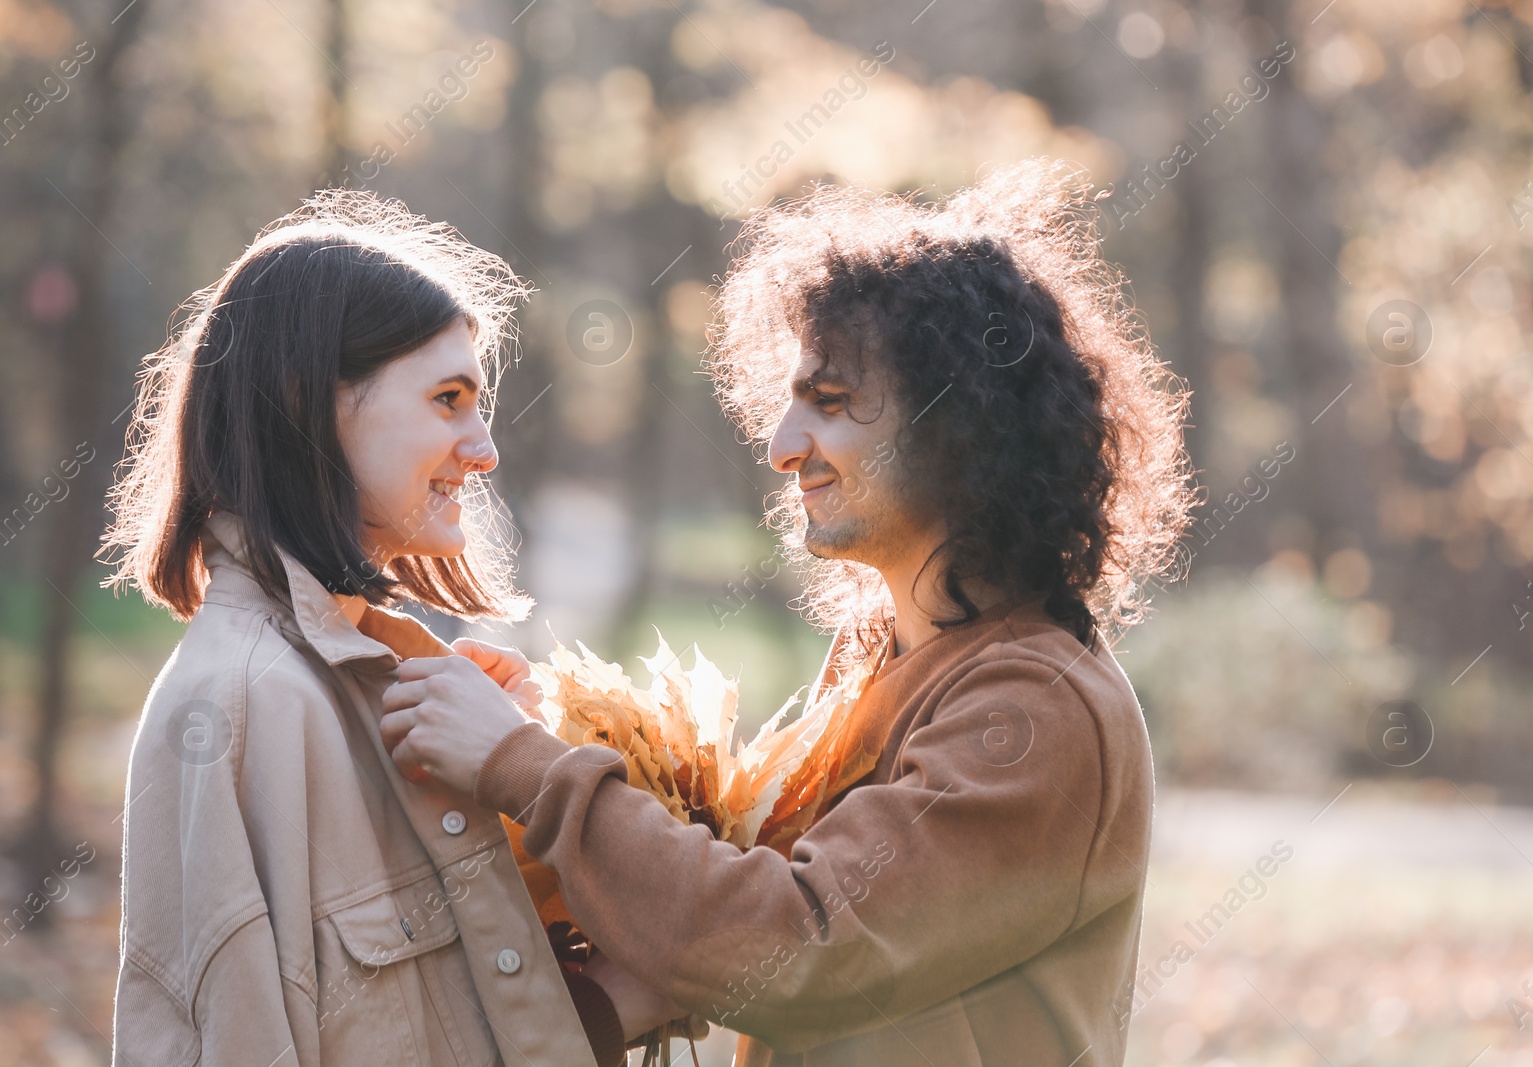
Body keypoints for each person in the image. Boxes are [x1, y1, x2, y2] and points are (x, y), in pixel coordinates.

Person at [381, 159, 1194, 1066]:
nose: (781, 446)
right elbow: (750, 912)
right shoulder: (882, 653)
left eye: (832, 403)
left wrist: (525, 767)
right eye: (790, 400)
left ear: (960, 427)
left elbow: (801, 946)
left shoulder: (1034, 709)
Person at [104, 191, 625, 1066]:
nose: (485, 447)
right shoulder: (239, 705)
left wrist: (509, 784)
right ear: (310, 402)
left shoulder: (384, 690)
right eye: (448, 398)